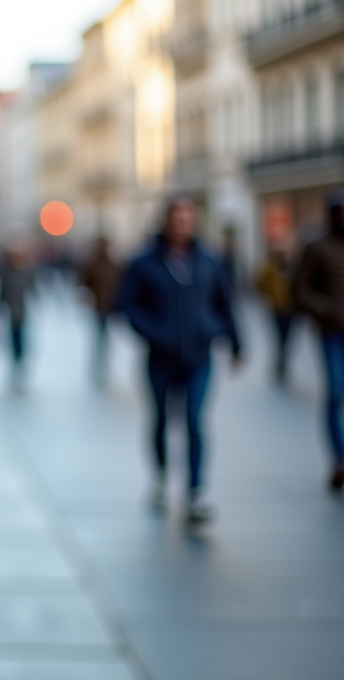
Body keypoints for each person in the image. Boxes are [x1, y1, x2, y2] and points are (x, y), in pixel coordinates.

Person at [118, 198, 241, 524]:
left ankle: (196, 492)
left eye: (188, 218)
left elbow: (224, 302)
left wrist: (232, 340)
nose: (183, 224)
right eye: (177, 218)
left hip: (199, 356)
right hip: (160, 358)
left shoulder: (208, 260)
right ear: (166, 222)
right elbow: (128, 304)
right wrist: (154, 333)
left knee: (195, 421)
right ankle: (160, 477)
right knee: (160, 420)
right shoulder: (145, 262)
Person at [292, 190, 344, 492]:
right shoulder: (316, 248)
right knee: (335, 393)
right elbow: (299, 290)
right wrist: (326, 310)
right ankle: (339, 457)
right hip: (332, 331)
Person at [79, 235, 122, 387]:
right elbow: (85, 282)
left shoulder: (114, 265)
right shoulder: (92, 264)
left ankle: (104, 364)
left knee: (106, 338)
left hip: (110, 306)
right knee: (99, 336)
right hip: (99, 307)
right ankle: (98, 364)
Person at [255, 242, 298, 385]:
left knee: (287, 338)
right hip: (275, 309)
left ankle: (282, 363)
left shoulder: (294, 267)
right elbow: (259, 283)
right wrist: (266, 298)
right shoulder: (270, 267)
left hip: (290, 309)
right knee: (279, 337)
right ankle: (279, 363)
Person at [0, 242, 35, 391]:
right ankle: (15, 359)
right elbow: (2, 292)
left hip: (23, 310)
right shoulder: (6, 273)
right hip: (11, 310)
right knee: (13, 336)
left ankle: (20, 359)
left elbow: (32, 287)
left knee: (22, 336)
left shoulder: (26, 271)